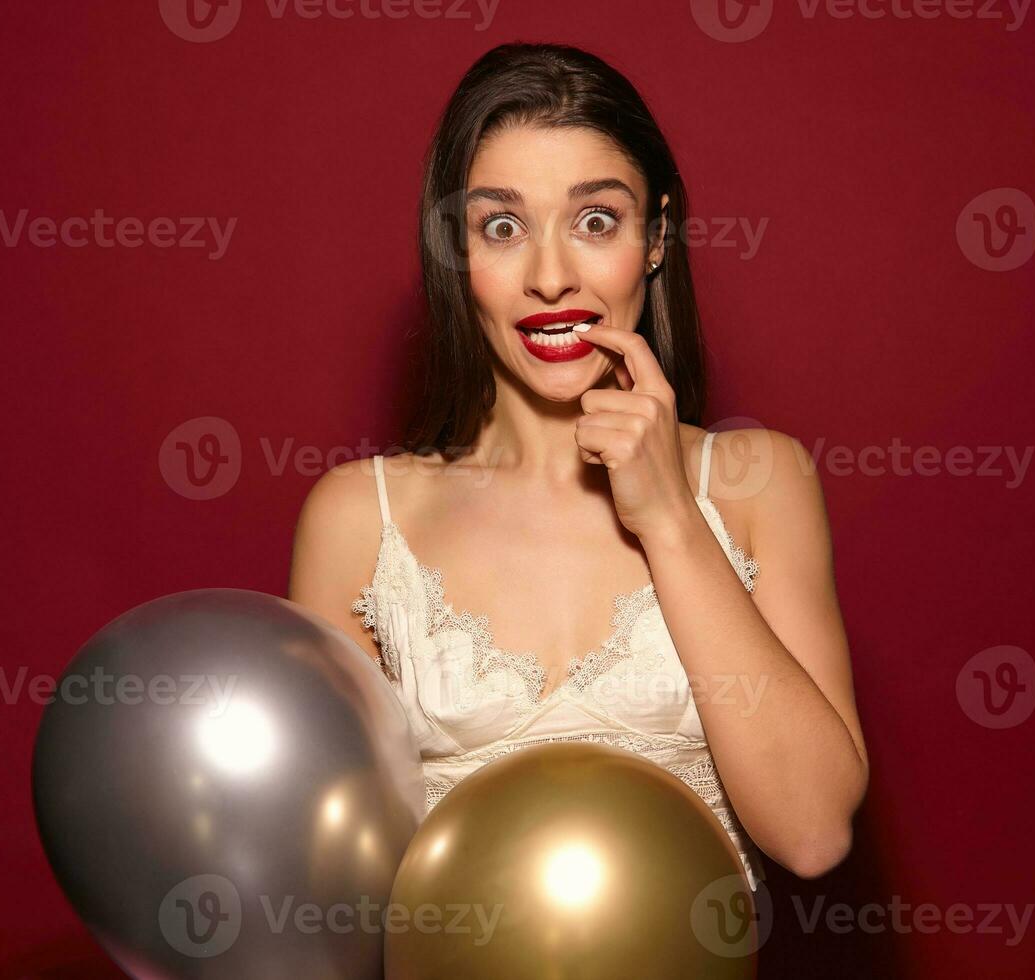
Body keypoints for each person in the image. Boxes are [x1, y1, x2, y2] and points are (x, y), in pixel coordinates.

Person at [289, 42, 867, 890]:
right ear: (459, 253)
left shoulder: (755, 481)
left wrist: (669, 519)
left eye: (596, 222)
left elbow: (813, 832)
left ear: (657, 237)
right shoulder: (358, 518)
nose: (551, 277)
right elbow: (327, 882)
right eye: (503, 226)